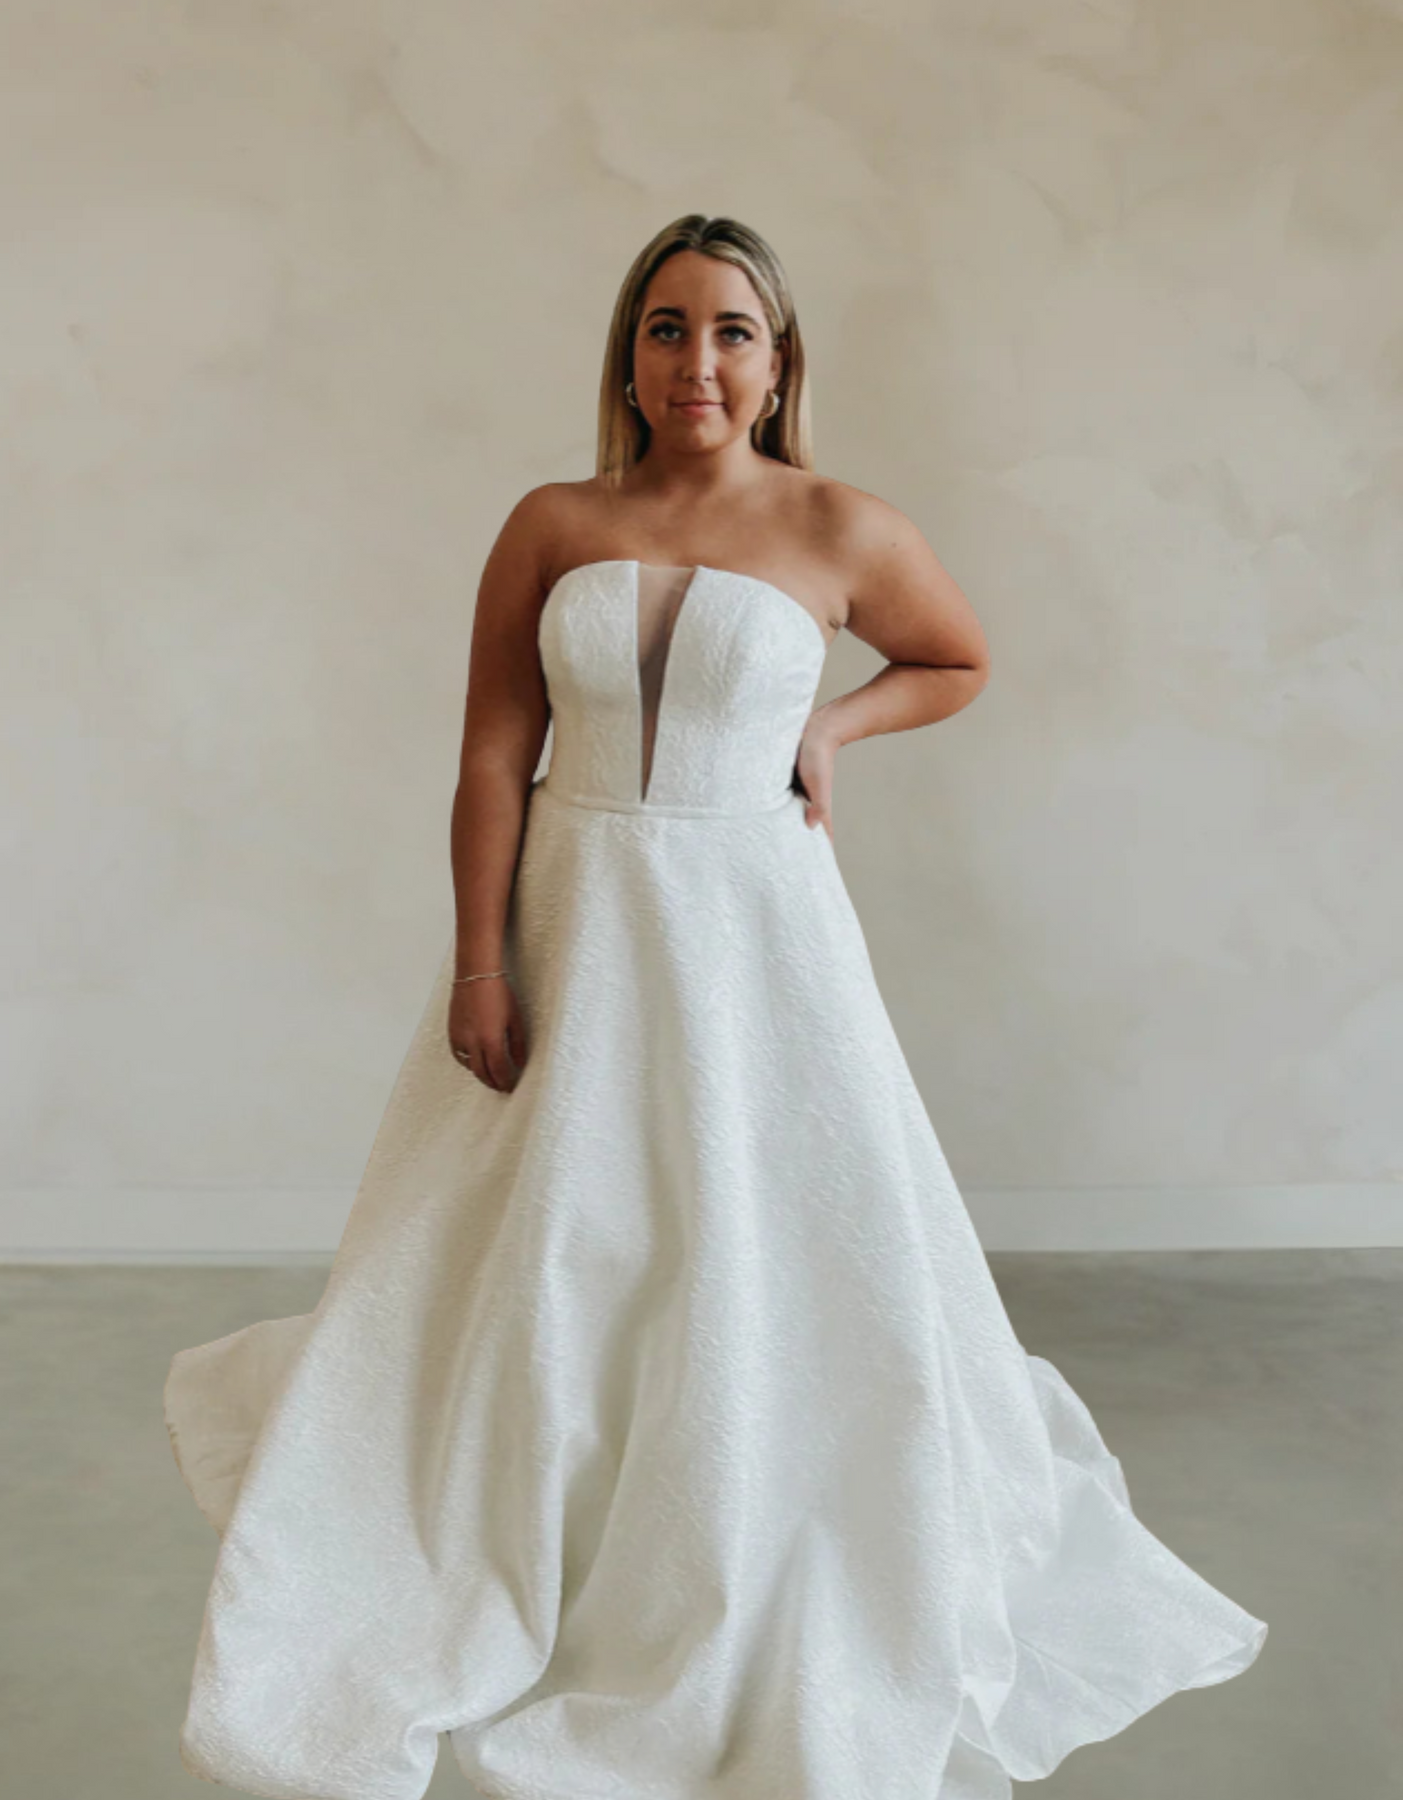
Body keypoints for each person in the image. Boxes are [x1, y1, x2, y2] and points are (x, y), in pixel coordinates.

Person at [165, 213, 1267, 1800]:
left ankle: (737, 1515)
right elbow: (494, 753)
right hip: (575, 914)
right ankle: (511, 1519)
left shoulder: (839, 524)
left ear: (779, 358)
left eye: (733, 330)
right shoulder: (552, 522)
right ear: (629, 357)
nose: (699, 361)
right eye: (668, 328)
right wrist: (479, 960)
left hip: (755, 931)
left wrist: (836, 727)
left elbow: (955, 658)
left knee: (748, 1229)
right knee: (560, 1235)